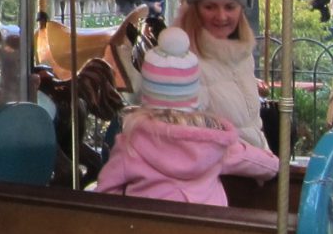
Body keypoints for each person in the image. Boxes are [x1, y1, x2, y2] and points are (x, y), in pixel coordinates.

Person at [96, 27, 279, 204]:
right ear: (193, 94)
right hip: (207, 223)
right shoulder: (215, 143)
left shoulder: (131, 144)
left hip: (148, 224)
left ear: (148, 94)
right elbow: (267, 165)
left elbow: (105, 195)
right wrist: (274, 163)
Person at [175, 0, 269, 149]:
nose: (221, 16)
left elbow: (251, 126)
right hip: (219, 164)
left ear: (241, 9)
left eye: (230, 7)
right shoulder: (183, 62)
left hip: (253, 161)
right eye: (210, 7)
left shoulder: (242, 56)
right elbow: (185, 137)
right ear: (195, 9)